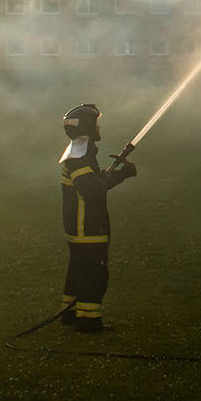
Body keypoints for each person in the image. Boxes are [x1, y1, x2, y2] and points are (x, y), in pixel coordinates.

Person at [58, 103, 136, 333]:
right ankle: (88, 321)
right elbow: (92, 190)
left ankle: (70, 314)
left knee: (78, 269)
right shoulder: (79, 158)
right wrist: (122, 175)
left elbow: (92, 181)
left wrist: (113, 174)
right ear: (88, 127)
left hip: (78, 227)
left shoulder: (79, 153)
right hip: (88, 227)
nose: (99, 127)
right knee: (94, 273)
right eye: (96, 124)